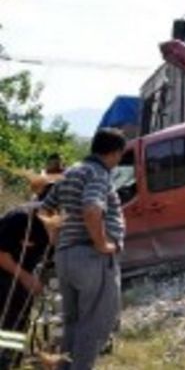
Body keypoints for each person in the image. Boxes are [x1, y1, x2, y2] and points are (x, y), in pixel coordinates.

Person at [42, 128, 127, 370]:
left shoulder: (71, 172)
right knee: (95, 324)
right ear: (115, 153)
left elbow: (46, 209)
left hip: (66, 257)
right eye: (120, 155)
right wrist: (102, 244)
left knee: (73, 324)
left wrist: (57, 240)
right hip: (92, 257)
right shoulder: (98, 172)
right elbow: (92, 209)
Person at [0, 204, 61, 370]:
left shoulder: (60, 229)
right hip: (5, 270)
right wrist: (27, 278)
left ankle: (10, 361)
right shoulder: (20, 220)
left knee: (17, 319)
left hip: (18, 276)